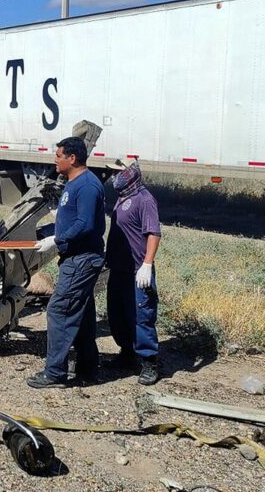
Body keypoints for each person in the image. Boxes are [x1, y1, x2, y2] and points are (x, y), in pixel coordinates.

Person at [27, 136, 106, 389]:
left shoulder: (87, 186)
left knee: (59, 310)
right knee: (81, 314)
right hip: (74, 258)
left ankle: (54, 374)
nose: (55, 159)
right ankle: (87, 368)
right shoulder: (73, 183)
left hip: (82, 260)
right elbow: (72, 218)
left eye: (59, 155)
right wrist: (50, 228)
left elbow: (86, 224)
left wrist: (56, 239)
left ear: (72, 158)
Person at [104, 157, 162, 385]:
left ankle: (149, 362)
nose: (114, 177)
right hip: (118, 268)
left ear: (130, 173)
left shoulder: (144, 199)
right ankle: (127, 353)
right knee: (118, 313)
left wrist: (147, 264)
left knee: (141, 315)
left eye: (118, 172)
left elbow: (153, 233)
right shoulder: (122, 197)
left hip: (138, 270)